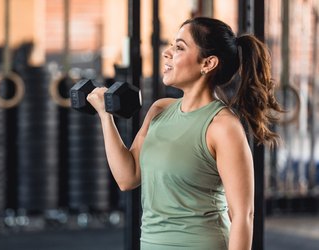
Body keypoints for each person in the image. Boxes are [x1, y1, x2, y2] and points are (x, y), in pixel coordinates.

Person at [87, 17, 282, 250]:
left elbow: (243, 215)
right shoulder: (160, 109)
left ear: (208, 63)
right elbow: (127, 178)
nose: (167, 53)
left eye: (179, 47)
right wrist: (104, 116)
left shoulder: (223, 127)